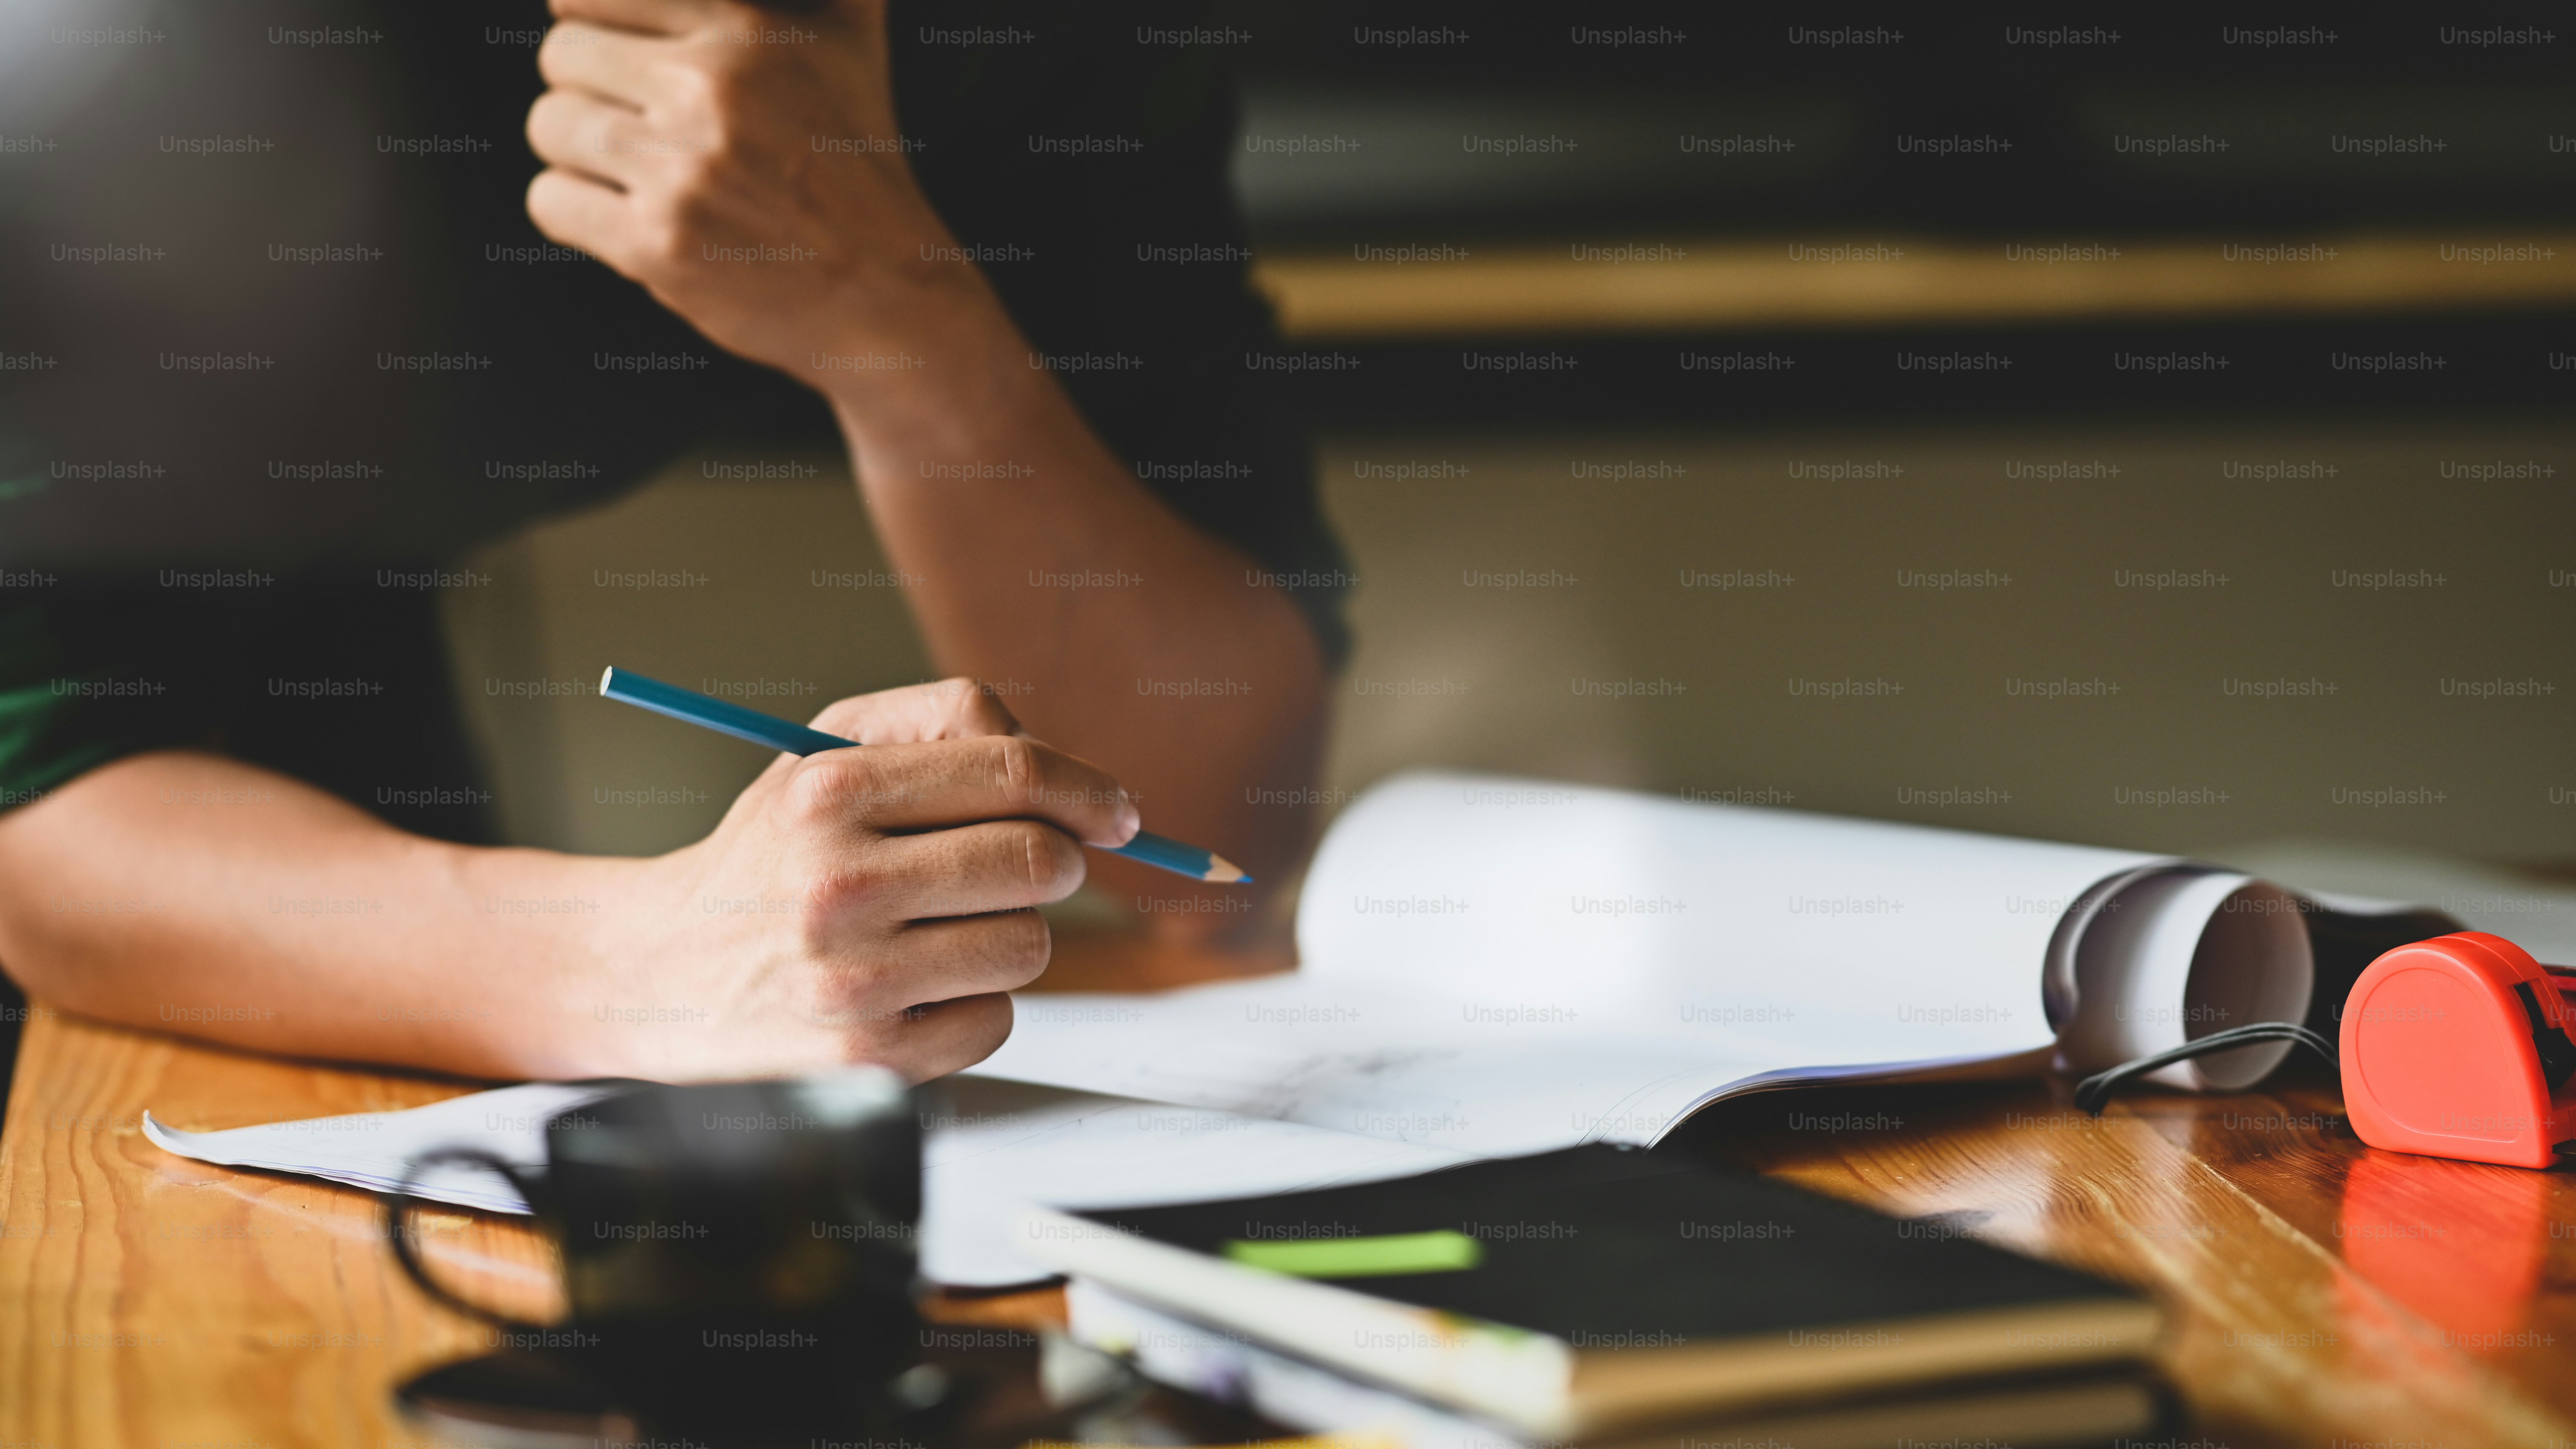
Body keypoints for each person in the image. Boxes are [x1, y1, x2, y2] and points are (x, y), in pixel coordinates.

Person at [0, 0, 1345, 1086]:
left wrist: (903, 324)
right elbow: (37, 819)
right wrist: (633, 961)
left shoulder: (1046, 46)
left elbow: (1210, 832)